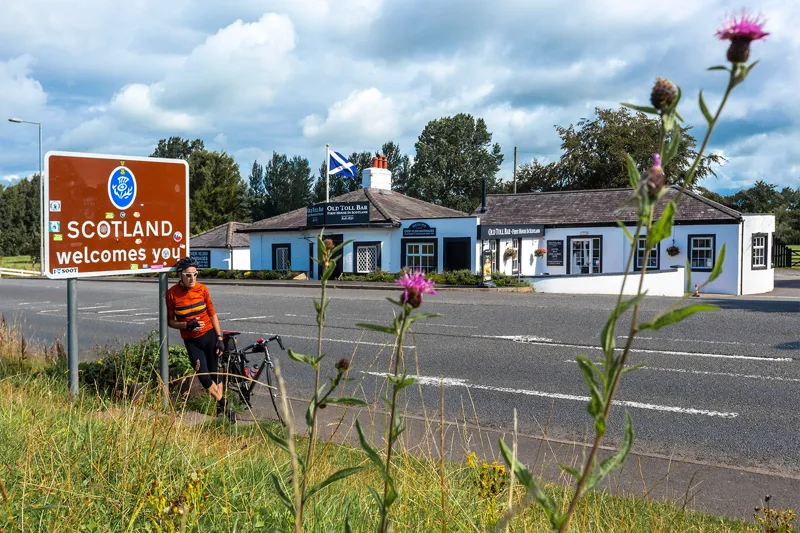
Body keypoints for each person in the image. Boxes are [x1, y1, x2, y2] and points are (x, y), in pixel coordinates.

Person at [166, 256, 235, 421]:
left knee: (214, 374)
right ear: (180, 275)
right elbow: (170, 322)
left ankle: (221, 412)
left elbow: (212, 314)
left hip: (209, 336)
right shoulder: (172, 294)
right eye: (188, 275)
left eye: (195, 274)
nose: (192, 279)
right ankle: (225, 403)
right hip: (191, 341)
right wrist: (186, 325)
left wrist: (219, 338)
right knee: (204, 377)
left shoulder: (202, 289)